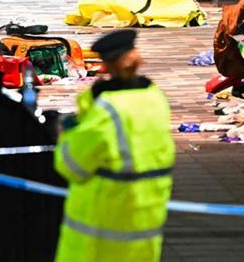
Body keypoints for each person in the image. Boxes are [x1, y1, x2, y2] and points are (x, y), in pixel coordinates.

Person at [53, 29, 175, 262]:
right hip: (146, 223)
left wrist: (70, 131)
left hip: (100, 230)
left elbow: (71, 165)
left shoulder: (107, 110)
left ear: (106, 66)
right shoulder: (156, 98)